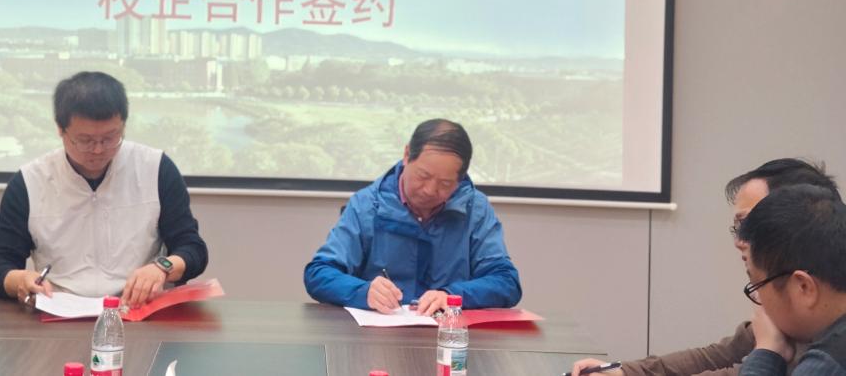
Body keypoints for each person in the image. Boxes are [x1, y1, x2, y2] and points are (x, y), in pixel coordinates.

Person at [570, 159, 839, 376]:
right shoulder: (795, 302)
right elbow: (721, 356)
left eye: (750, 224)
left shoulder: (829, 353)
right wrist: (625, 373)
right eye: (738, 227)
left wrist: (766, 353)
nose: (740, 240)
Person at [0, 71, 208, 309]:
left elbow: (193, 249)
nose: (98, 150)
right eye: (85, 140)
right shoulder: (30, 182)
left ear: (123, 125)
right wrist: (20, 279)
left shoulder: (156, 168)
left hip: (137, 310)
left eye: (110, 138)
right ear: (60, 129)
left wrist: (162, 268)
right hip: (59, 312)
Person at [303, 118, 521, 315]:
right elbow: (319, 274)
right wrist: (362, 291)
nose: (429, 190)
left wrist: (453, 296)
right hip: (380, 336)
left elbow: (506, 282)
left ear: (460, 179)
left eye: (445, 183)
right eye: (423, 176)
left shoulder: (475, 208)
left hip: (450, 335)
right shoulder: (367, 204)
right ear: (407, 155)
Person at [738, 184, 846, 376]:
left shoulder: (830, 363)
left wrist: (766, 351)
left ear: (803, 287)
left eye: (757, 285)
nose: (758, 300)